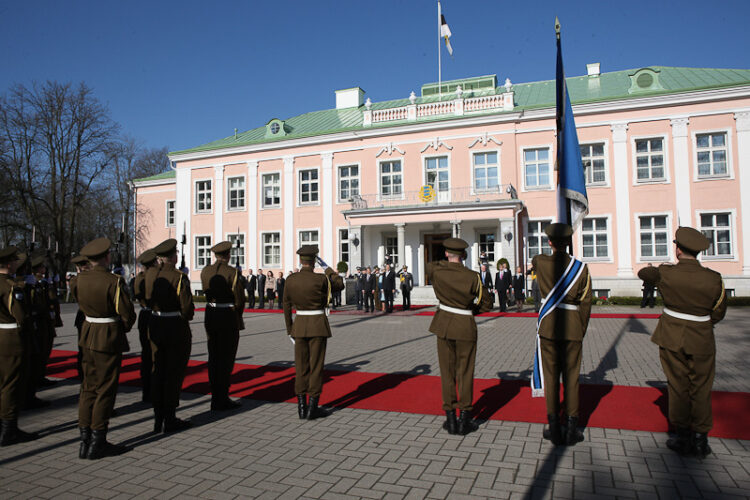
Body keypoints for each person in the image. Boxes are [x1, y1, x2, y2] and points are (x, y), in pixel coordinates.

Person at [638, 227, 727, 458]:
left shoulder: (666, 274)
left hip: (672, 335)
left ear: (678, 250)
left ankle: (682, 435)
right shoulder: (713, 278)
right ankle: (700, 439)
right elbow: (719, 312)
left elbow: (643, 274)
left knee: (678, 385)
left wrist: (661, 269)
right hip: (702, 337)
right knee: (701, 387)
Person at [72, 237, 136, 459]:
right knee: (105, 389)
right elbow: (127, 313)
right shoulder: (113, 281)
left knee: (88, 388)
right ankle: (98, 440)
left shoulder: (78, 280)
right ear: (106, 257)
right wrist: (123, 327)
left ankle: (84, 440)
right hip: (107, 336)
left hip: (87, 334)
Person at [533, 223, 592, 447]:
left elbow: (536, 259)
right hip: (572, 328)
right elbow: (586, 303)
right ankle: (571, 429)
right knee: (571, 378)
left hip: (549, 327)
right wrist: (580, 328)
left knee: (550, 377)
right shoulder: (580, 268)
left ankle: (554, 427)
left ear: (549, 242)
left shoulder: (541, 263)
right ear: (569, 242)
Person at [428, 238, 492, 435]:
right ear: (463, 255)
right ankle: (464, 419)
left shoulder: (437, 271)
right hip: (465, 325)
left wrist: (446, 259)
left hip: (444, 324)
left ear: (446, 254)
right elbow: (487, 303)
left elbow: (432, 264)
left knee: (447, 372)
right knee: (465, 372)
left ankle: (450, 418)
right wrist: (471, 309)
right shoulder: (472, 276)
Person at [283, 246, 344, 420]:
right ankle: (312, 408)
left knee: (301, 366)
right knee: (316, 367)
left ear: (300, 260)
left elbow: (286, 305)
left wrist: (289, 329)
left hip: (299, 325)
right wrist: (327, 268)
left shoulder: (291, 279)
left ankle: (301, 408)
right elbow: (339, 283)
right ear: (314, 260)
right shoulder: (321, 279)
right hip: (318, 325)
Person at [145, 238, 194, 433]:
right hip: (174, 326)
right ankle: (170, 417)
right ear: (173, 257)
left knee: (158, 370)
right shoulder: (179, 277)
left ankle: (158, 417)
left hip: (155, 323)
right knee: (173, 372)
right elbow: (187, 307)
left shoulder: (149, 275)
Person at [0, 246, 39, 446]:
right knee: (11, 385)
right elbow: (21, 316)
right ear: (9, 264)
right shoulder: (11, 287)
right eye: (14, 261)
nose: (17, 263)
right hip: (10, 338)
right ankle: (9, 429)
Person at [200, 241, 245, 412]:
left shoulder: (206, 271)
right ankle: (222, 398)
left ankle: (215, 396)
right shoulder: (232, 272)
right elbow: (240, 299)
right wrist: (237, 316)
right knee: (226, 359)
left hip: (210, 314)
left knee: (214, 357)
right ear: (228, 255)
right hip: (227, 316)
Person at [133, 250, 157, 403]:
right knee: (155, 355)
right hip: (153, 316)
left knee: (146, 355)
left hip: (143, 315)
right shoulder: (154, 277)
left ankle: (146, 391)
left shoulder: (139, 278)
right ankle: (153, 390)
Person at [70, 255, 90, 380]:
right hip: (84, 316)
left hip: (84, 316)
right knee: (83, 348)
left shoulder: (77, 280)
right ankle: (83, 373)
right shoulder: (77, 280)